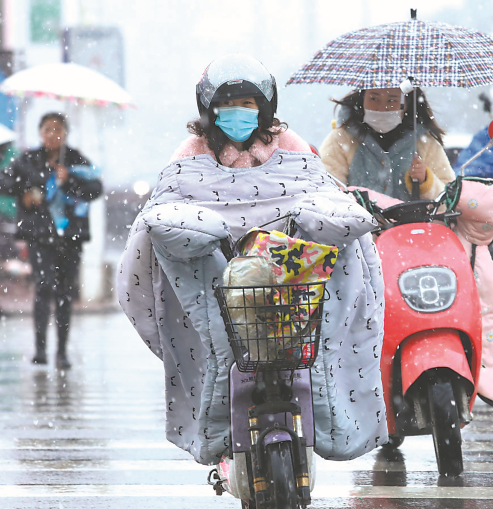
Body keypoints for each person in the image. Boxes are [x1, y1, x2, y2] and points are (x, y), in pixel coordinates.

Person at [117, 54, 387, 466]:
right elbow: (169, 205)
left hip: (291, 281)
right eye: (229, 105)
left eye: (249, 104)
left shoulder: (291, 146)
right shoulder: (190, 153)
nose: (239, 114)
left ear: (266, 108)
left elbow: (318, 192)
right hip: (217, 282)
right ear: (208, 108)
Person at [0, 113, 101, 368]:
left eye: (57, 129)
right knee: (43, 287)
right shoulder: (28, 160)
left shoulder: (76, 159)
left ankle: (62, 352)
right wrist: (25, 192)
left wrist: (70, 181)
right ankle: (41, 349)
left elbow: (95, 189)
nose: (52, 134)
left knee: (65, 292)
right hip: (39, 235)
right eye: (47, 129)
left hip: (70, 236)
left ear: (66, 132)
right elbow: (5, 182)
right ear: (40, 132)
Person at [319, 87, 454, 201]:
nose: (382, 108)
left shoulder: (425, 142)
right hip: (361, 231)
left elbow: (450, 200)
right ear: (362, 98)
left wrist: (426, 181)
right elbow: (326, 194)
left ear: (406, 103)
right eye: (374, 98)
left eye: (392, 100)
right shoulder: (341, 139)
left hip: (413, 231)